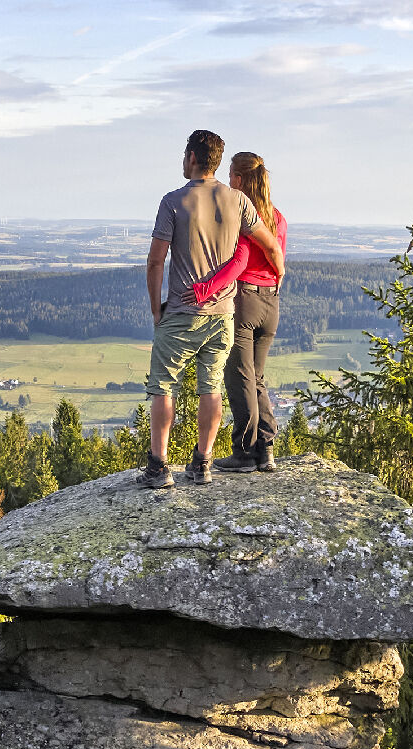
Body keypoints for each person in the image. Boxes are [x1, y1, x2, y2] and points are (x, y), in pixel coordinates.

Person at [141, 129, 284, 489]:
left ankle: (159, 467)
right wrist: (279, 271)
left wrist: (156, 309)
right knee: (212, 388)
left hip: (182, 312)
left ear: (191, 158)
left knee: (163, 387)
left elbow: (156, 261)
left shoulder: (173, 201)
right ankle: (202, 462)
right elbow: (267, 244)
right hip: (223, 314)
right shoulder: (238, 201)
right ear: (217, 162)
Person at [188, 151, 284, 473]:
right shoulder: (278, 217)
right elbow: (275, 253)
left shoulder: (243, 215)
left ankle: (243, 453)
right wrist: (279, 273)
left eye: (230, 175)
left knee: (238, 377)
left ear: (240, 180)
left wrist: (207, 288)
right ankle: (265, 450)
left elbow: (240, 260)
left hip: (244, 301)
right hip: (272, 302)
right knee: (256, 378)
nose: (227, 181)